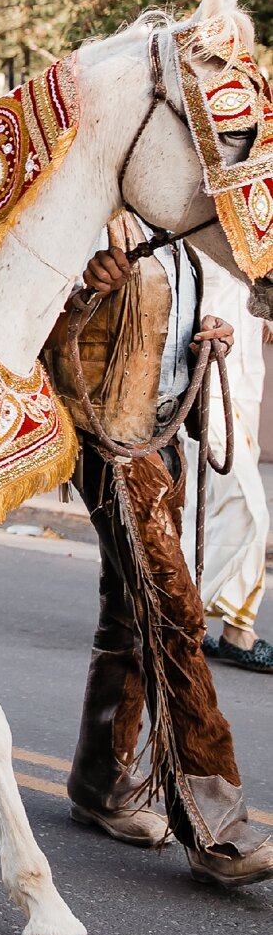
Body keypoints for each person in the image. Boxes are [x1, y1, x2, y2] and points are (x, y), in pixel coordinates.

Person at [49, 220, 273, 886]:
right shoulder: (93, 220)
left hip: (160, 440)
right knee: (175, 615)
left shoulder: (182, 239)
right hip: (107, 441)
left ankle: (100, 783)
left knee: (128, 614)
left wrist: (207, 346)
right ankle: (214, 825)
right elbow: (36, 329)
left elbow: (162, 345)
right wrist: (80, 295)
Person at [182, 251, 273, 672]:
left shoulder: (255, 204)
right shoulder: (192, 198)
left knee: (210, 504)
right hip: (200, 363)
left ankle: (236, 629)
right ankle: (175, 616)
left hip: (245, 368)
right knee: (243, 504)